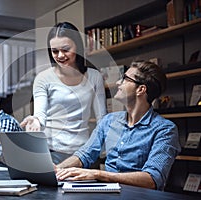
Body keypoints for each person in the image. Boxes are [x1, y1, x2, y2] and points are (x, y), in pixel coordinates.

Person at [56, 61, 181, 190]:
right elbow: (85, 154)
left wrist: (98, 174)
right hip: (107, 194)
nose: (117, 83)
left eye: (125, 79)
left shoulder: (165, 130)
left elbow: (152, 179)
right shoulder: (109, 120)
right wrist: (57, 170)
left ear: (141, 89)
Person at [20, 22, 107, 163]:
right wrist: (35, 120)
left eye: (66, 49)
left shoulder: (94, 77)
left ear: (77, 47)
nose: (60, 55)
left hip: (83, 152)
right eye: (54, 51)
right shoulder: (43, 78)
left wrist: (100, 147)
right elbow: (40, 115)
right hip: (51, 152)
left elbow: (102, 118)